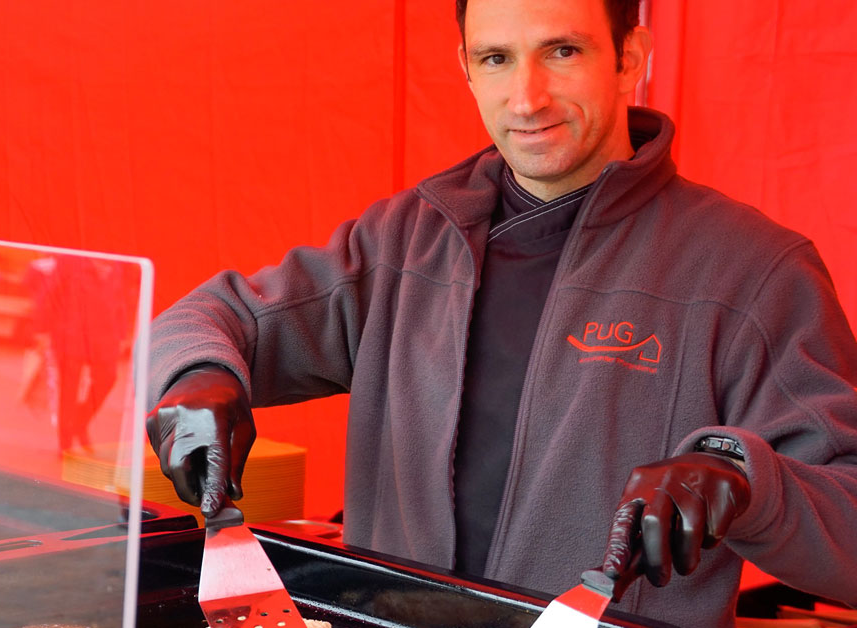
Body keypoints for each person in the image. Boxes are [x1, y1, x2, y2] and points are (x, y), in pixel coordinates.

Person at [144, 0, 857, 625]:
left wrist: (742, 480)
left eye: (563, 51)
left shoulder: (752, 270)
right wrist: (198, 374)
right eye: (497, 58)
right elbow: (201, 320)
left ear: (630, 58)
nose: (526, 97)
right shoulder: (402, 242)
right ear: (466, 67)